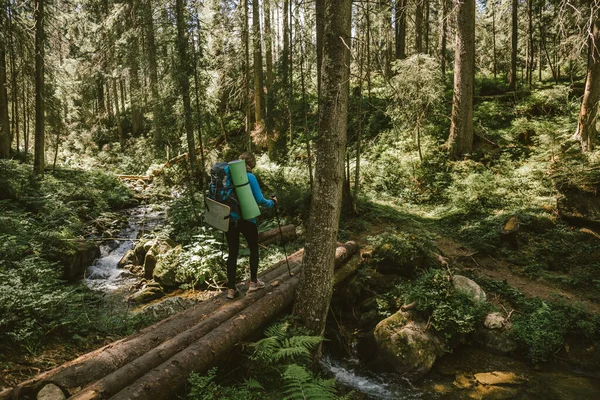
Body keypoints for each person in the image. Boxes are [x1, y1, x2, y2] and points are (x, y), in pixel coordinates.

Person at [225, 152, 277, 299]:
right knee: (253, 249)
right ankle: (253, 282)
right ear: (251, 164)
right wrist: (272, 202)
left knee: (232, 253)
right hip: (248, 220)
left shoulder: (228, 177)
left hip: (230, 219)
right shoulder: (250, 177)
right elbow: (260, 200)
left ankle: (231, 289)